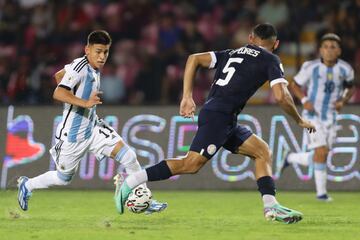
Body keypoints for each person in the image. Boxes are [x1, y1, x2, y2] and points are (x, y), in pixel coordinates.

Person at [114, 23, 316, 224]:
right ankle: (130, 180)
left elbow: (193, 59)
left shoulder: (230, 53)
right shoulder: (270, 59)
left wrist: (187, 97)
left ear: (251, 38)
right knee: (190, 164)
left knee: (262, 151)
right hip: (220, 116)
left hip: (222, 116)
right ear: (276, 43)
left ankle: (271, 207)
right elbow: (281, 96)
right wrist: (298, 120)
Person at [17, 30, 167, 214]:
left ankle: (144, 199)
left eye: (105, 52)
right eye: (98, 51)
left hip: (93, 127)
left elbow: (58, 76)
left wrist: (80, 96)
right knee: (63, 178)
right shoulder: (80, 68)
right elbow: (58, 92)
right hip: (72, 136)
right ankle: (28, 185)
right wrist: (85, 102)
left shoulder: (89, 67)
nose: (102, 56)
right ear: (87, 49)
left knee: (129, 157)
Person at [281, 33, 355, 201]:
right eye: (326, 47)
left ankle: (291, 157)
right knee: (320, 152)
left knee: (321, 155)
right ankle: (321, 194)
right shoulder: (310, 67)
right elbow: (295, 84)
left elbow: (350, 87)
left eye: (333, 47)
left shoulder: (345, 69)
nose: (329, 50)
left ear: (339, 51)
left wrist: (343, 100)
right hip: (312, 116)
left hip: (331, 117)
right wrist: (305, 100)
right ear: (320, 50)